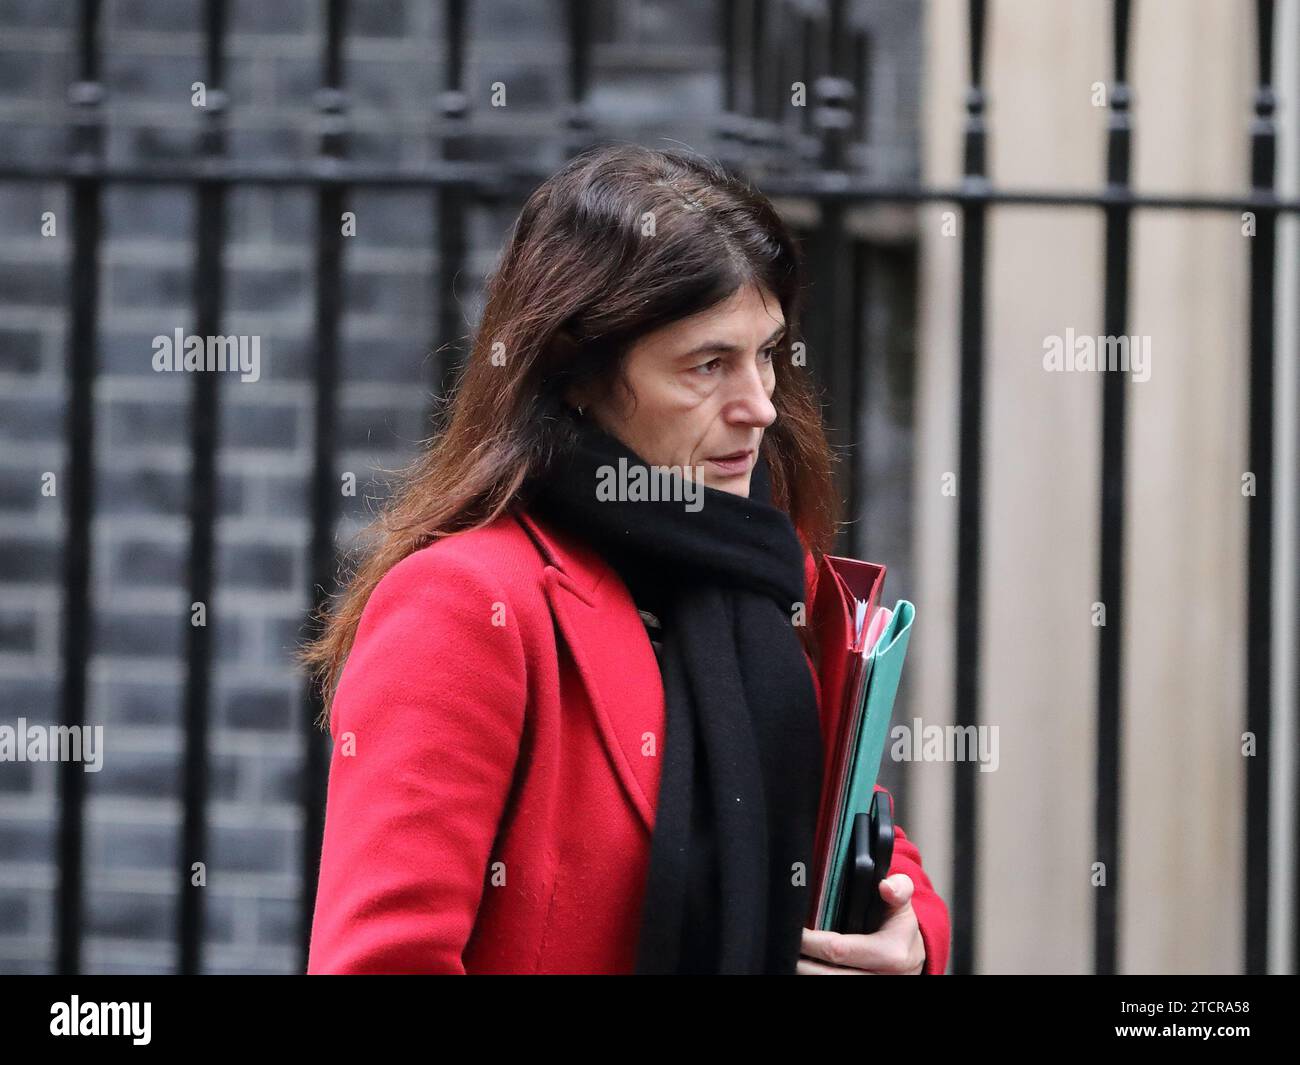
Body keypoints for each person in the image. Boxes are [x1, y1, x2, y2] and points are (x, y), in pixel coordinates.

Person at [302, 143, 950, 975]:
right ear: (579, 377)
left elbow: (858, 828)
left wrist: (910, 933)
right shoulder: (464, 604)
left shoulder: (767, 576)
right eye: (707, 364)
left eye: (768, 354)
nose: (758, 406)